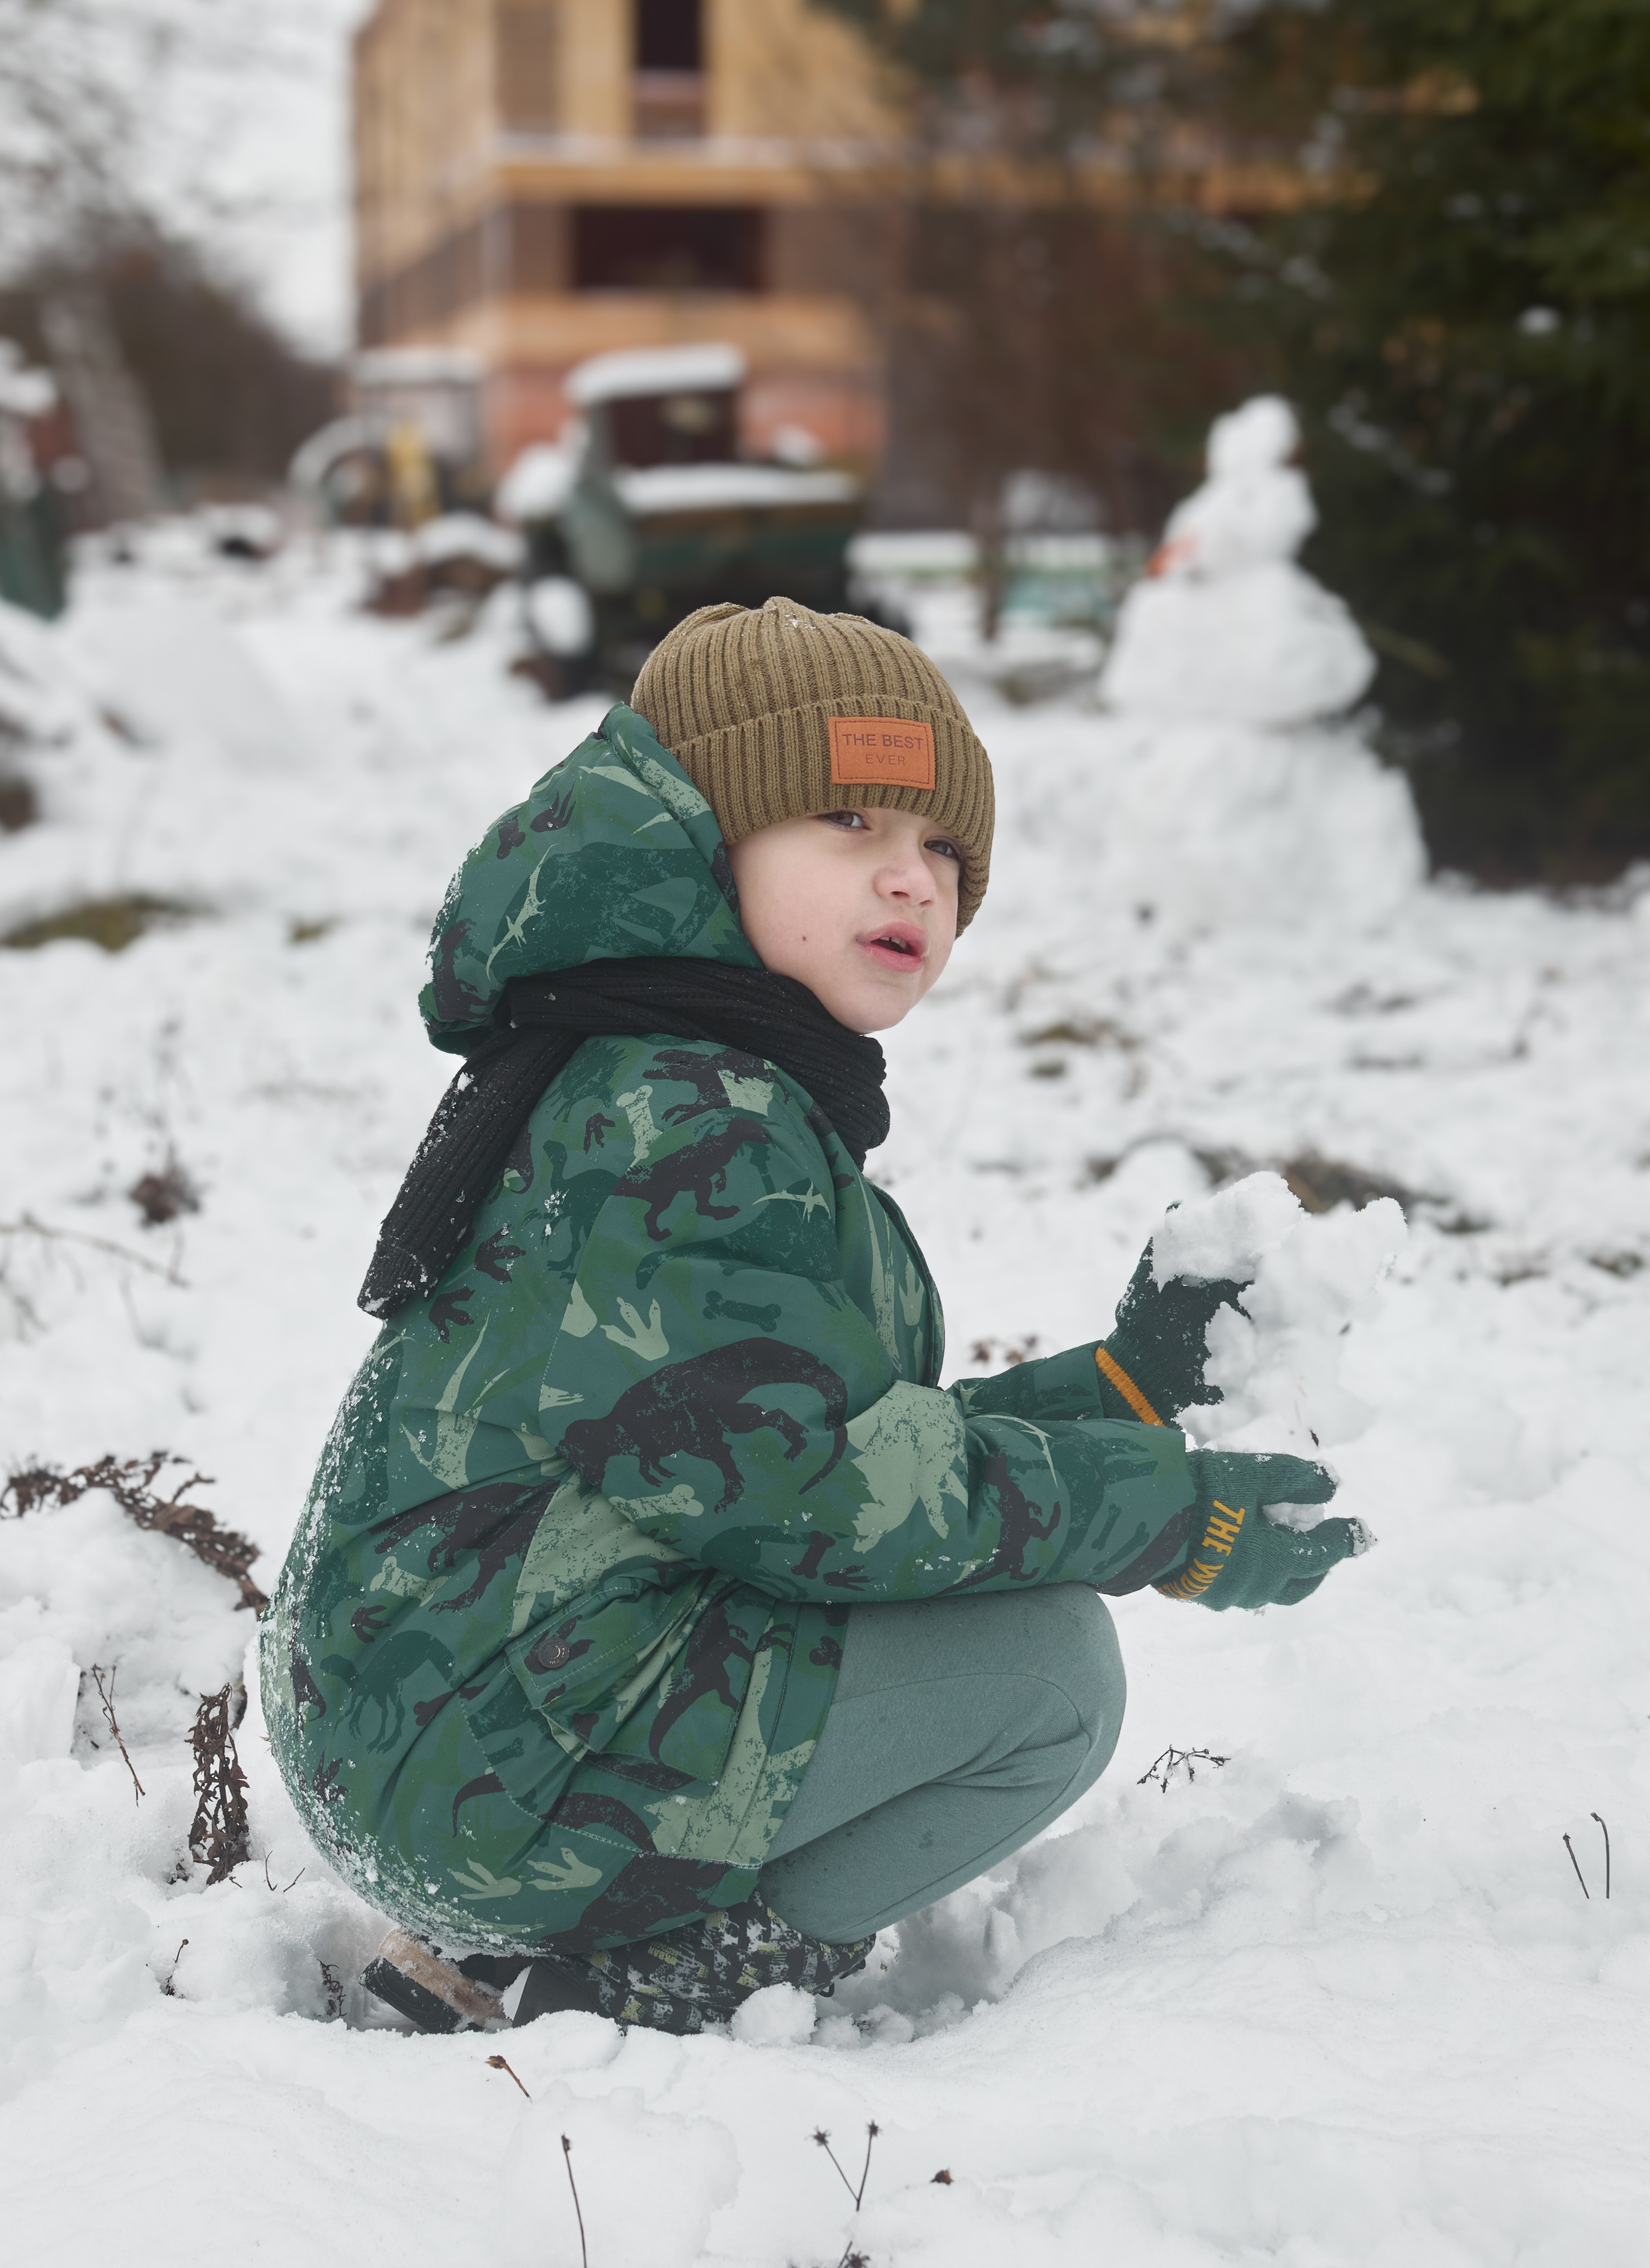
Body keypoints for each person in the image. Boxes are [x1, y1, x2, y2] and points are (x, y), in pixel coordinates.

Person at [258, 596, 1363, 2037]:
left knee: (981, 1618)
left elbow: (789, 1445)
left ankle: (540, 1929)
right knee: (1041, 1680)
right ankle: (642, 1976)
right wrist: (1166, 1510)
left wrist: (1115, 1391)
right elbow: (818, 1503)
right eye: (847, 822)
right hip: (483, 1764)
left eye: (942, 850)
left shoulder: (663, 1069)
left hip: (444, 1717)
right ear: (704, 840)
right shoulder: (689, 1117)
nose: (909, 879)